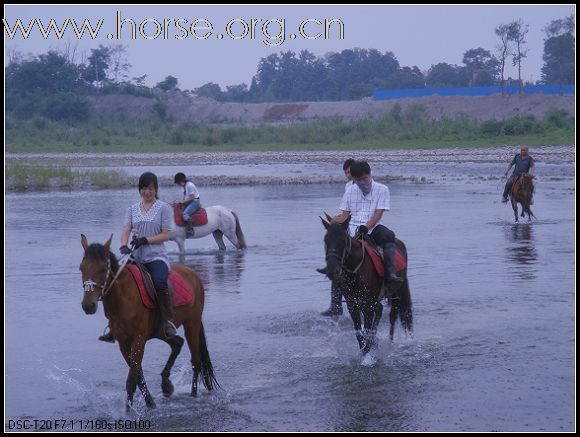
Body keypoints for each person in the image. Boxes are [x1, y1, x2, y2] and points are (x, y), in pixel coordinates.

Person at [98, 172, 176, 343]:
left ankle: (167, 320)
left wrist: (146, 240)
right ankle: (113, 324)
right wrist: (124, 245)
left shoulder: (164, 208)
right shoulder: (132, 209)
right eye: (143, 188)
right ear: (139, 190)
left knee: (160, 282)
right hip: (135, 257)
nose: (147, 192)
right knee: (112, 280)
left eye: (150, 188)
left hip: (155, 256)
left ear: (155, 189)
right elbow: (126, 229)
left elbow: (166, 235)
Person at [333, 160, 404, 286]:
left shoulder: (382, 189)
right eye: (359, 180)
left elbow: (378, 213)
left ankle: (391, 274)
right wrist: (333, 222)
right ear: (354, 179)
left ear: (370, 174)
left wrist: (366, 227)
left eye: (365, 178)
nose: (363, 182)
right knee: (336, 248)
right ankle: (335, 298)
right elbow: (344, 215)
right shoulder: (349, 191)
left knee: (388, 236)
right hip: (352, 227)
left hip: (374, 227)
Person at [317, 158, 355, 316]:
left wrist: (339, 219)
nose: (348, 175)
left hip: (362, 223)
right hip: (348, 223)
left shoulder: (366, 186)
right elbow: (347, 211)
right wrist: (336, 219)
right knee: (333, 247)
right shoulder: (348, 187)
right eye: (346, 172)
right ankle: (335, 304)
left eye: (350, 172)